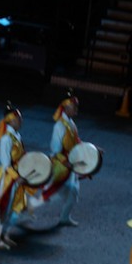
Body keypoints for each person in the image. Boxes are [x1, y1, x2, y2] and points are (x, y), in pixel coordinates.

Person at [0, 101, 36, 248]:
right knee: (3, 207)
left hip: (18, 175)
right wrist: (17, 178)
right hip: (9, 177)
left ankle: (4, 234)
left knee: (16, 207)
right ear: (10, 120)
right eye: (18, 118)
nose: (21, 121)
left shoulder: (16, 135)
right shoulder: (6, 139)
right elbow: (5, 163)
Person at [41, 90, 83, 226]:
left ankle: (64, 217)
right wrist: (66, 163)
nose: (76, 109)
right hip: (62, 165)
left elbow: (77, 141)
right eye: (74, 106)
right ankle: (29, 206)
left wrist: (91, 149)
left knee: (73, 193)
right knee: (70, 191)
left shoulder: (71, 123)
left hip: (70, 164)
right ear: (65, 108)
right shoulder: (59, 126)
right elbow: (54, 151)